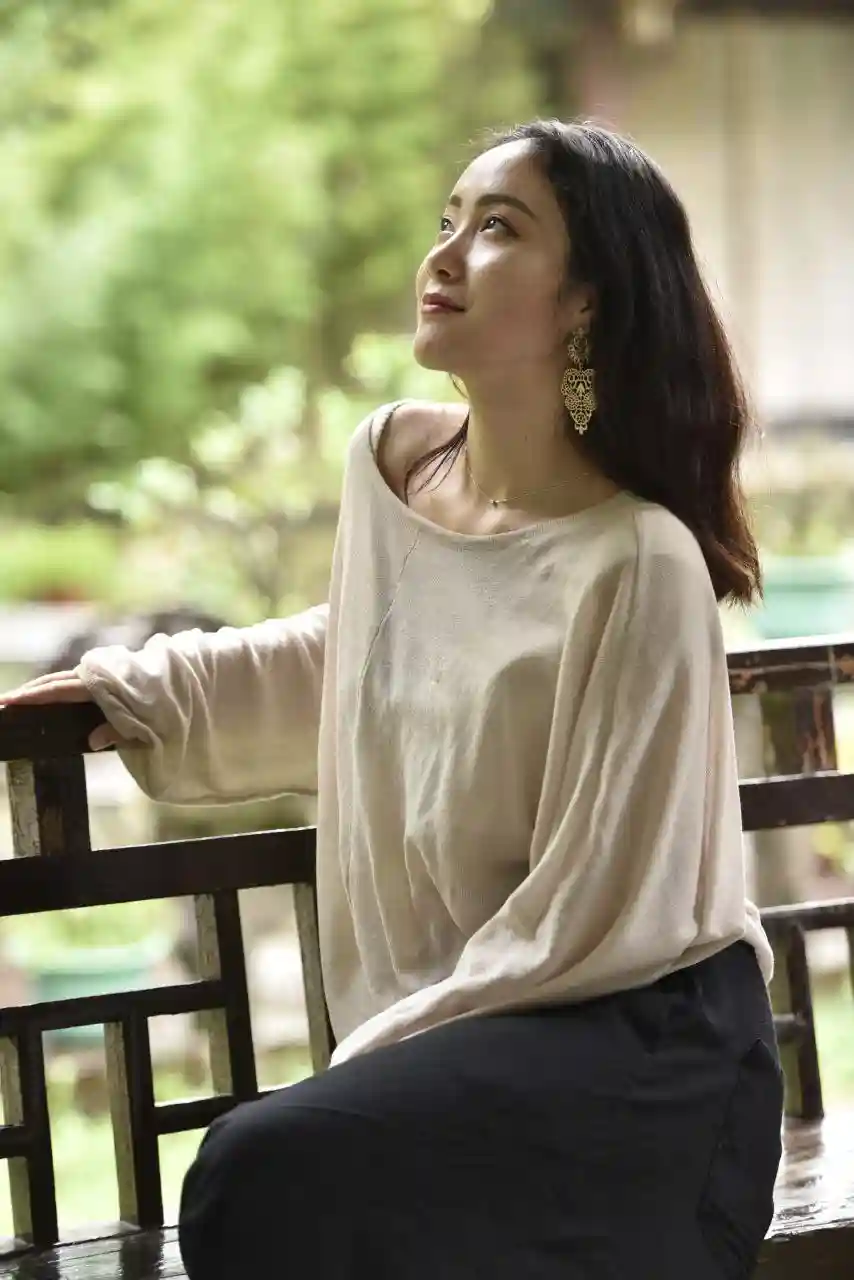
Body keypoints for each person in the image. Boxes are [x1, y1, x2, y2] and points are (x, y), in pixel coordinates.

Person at [1, 120, 783, 1278]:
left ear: (585, 301)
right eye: (446, 221)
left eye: (498, 228)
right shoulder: (396, 468)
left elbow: (597, 917)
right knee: (287, 1181)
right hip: (478, 1041)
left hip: (639, 1048)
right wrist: (151, 688)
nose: (445, 254)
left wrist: (378, 1051)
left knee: (260, 1171)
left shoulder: (636, 563)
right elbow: (368, 654)